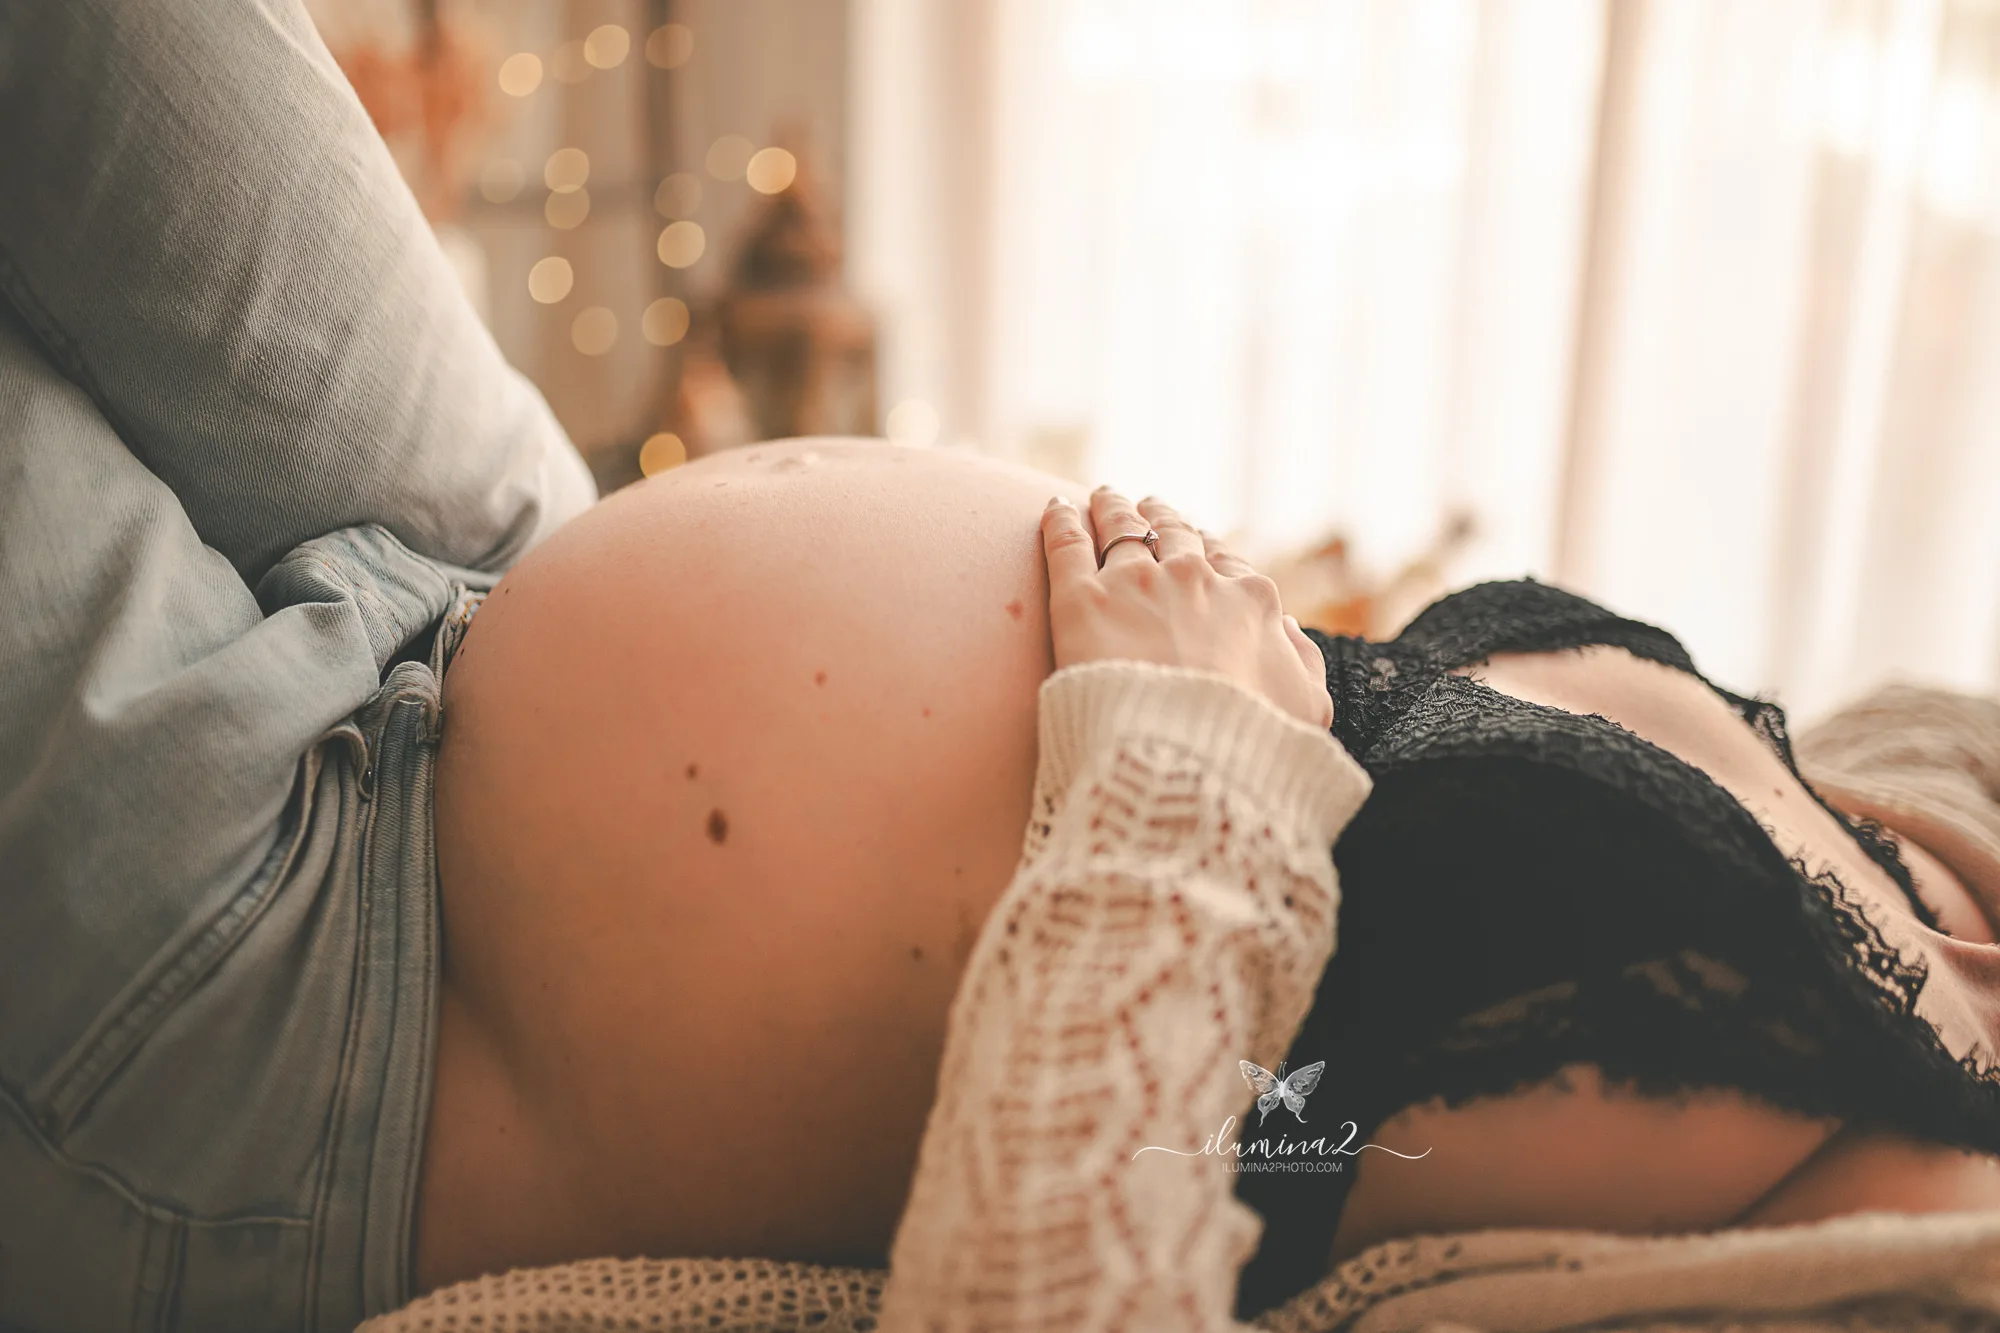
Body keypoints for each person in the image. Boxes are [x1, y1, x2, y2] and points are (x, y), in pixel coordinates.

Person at [6, 5, 2000, 1333]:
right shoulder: (1948, 903)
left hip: (296, 1006)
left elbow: (1083, 1255)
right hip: (485, 553)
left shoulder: (1871, 1271)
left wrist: (1194, 758)